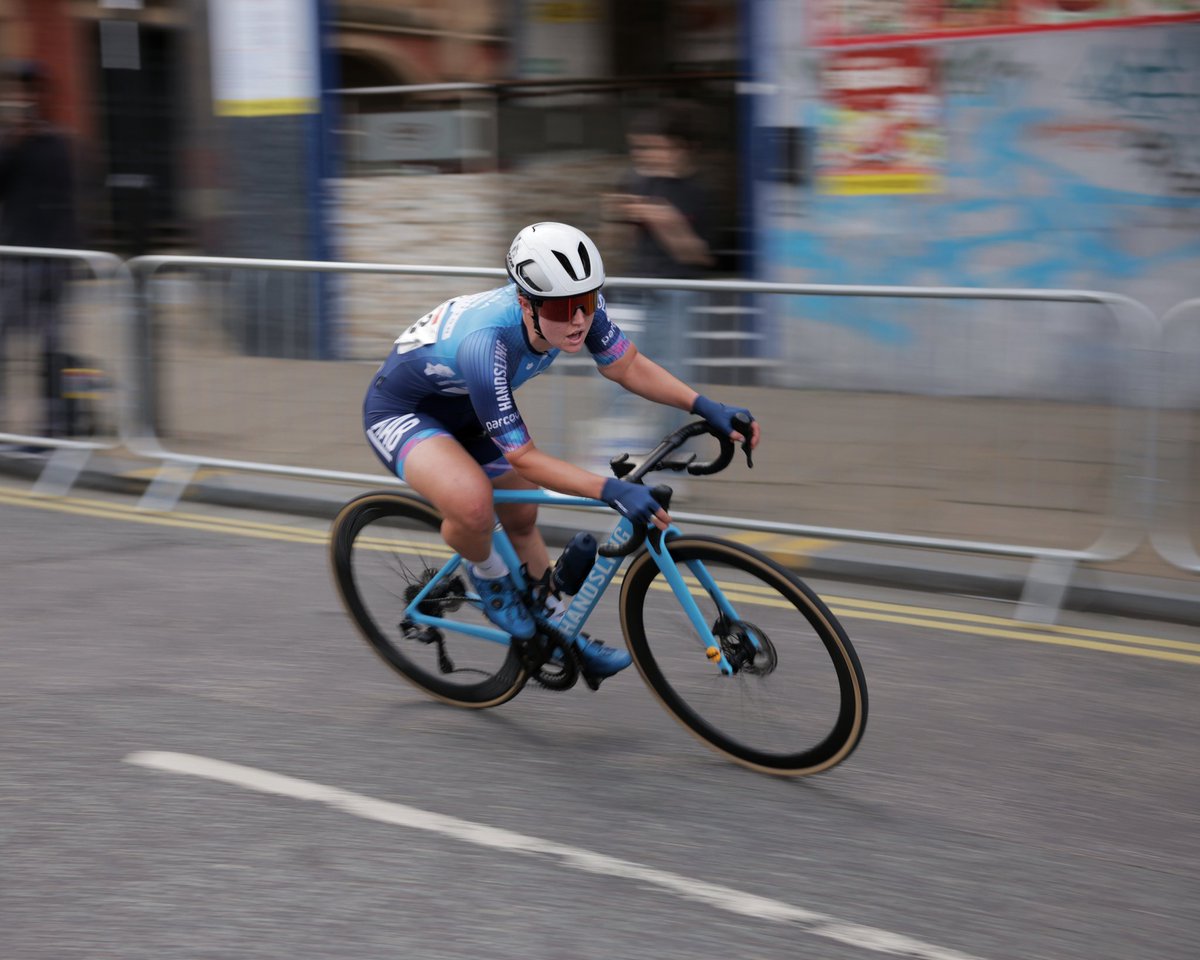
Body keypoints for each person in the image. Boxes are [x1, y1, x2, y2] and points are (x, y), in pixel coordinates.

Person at [362, 222, 759, 679]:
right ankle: (491, 582)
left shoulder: (578, 309)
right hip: (403, 413)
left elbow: (627, 366)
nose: (577, 320)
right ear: (526, 302)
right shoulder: (486, 341)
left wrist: (706, 406)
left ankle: (553, 630)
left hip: (468, 411)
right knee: (473, 505)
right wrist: (610, 489)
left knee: (523, 511)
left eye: (587, 303)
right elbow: (524, 456)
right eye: (561, 308)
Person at [598, 101, 717, 466]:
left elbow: (701, 256)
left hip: (675, 294)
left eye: (653, 147)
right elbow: (616, 241)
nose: (644, 156)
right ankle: (616, 455)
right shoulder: (636, 181)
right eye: (639, 148)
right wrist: (615, 215)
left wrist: (668, 221)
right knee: (615, 371)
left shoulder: (699, 192)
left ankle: (674, 458)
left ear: (680, 147)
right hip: (634, 291)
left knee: (671, 378)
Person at [0, 61, 84, 438]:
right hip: (15, 261)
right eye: (18, 90)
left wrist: (70, 260)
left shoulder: (59, 143)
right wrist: (11, 143)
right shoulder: (9, 143)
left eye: (30, 89)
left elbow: (68, 201)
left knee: (52, 349)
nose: (23, 98)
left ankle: (56, 427)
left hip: (52, 262)